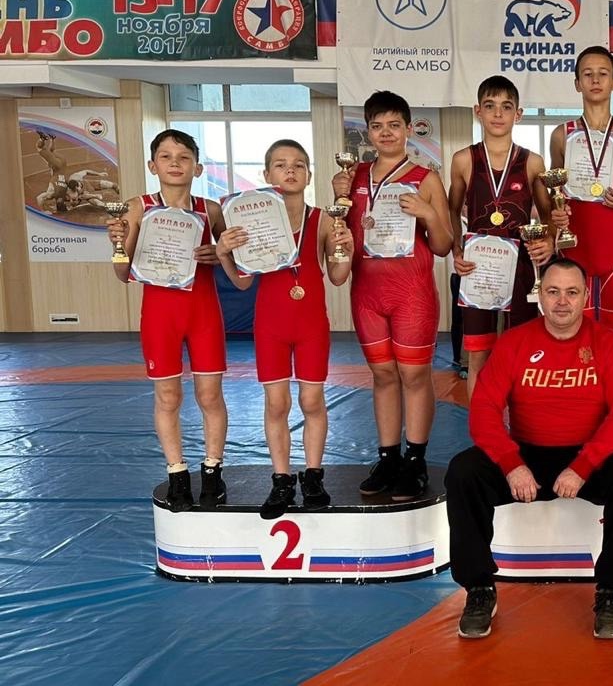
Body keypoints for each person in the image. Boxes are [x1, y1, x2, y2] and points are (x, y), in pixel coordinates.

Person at [445, 258, 613, 640]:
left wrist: (583, 466)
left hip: (588, 457)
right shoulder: (514, 342)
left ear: (585, 297)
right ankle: (479, 588)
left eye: (572, 292)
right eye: (553, 292)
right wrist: (510, 463)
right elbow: (484, 410)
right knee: (463, 472)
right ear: (540, 295)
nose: (562, 301)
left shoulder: (607, 343)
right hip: (528, 456)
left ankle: (611, 590)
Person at [215, 140, 354, 519]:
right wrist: (224, 254)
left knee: (312, 401)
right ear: (267, 175)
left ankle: (313, 476)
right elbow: (243, 282)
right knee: (277, 404)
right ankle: (281, 479)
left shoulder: (323, 220)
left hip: (311, 325)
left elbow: (338, 277)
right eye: (280, 165)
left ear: (308, 175)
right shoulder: (251, 222)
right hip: (270, 325)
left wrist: (346, 249)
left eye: (298, 165)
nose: (290, 170)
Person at [331, 90, 453, 502]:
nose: (386, 133)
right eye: (377, 126)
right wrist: (337, 196)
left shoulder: (426, 178)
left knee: (415, 376)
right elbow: (340, 233)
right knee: (383, 375)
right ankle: (388, 457)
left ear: (408, 129)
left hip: (412, 293)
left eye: (394, 125)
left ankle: (415, 460)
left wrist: (428, 213)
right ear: (367, 131)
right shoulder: (352, 177)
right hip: (367, 292)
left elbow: (443, 245)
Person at [105, 129, 228, 512]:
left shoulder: (211, 210)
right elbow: (122, 273)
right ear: (152, 165)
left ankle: (213, 471)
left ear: (197, 167)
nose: (175, 163)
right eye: (166, 156)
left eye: (184, 157)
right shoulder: (137, 208)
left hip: (204, 313)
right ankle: (177, 472)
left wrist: (219, 254)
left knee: (210, 395)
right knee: (168, 396)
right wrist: (117, 245)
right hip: (160, 315)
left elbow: (236, 261)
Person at [448, 76, 555, 398]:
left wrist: (549, 241)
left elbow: (548, 215)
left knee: (519, 355)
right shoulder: (463, 160)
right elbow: (452, 211)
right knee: (478, 356)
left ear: (517, 114)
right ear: (477, 111)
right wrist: (456, 250)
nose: (498, 114)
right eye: (490, 106)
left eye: (506, 107)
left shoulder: (532, 162)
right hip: (477, 271)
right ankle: (481, 427)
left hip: (520, 270)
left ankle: (521, 425)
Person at [548, 46, 613, 331]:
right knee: (571, 329)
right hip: (573, 248)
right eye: (587, 74)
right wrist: (556, 211)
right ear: (577, 83)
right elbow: (553, 191)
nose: (595, 80)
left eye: (603, 74)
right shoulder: (561, 135)